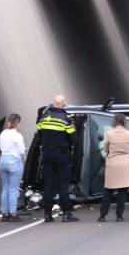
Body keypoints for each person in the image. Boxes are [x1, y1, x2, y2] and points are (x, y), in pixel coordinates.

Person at [37, 95, 79, 223]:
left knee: (48, 184)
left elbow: (39, 136)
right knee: (63, 184)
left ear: (53, 104)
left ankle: (47, 214)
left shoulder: (42, 118)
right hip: (62, 156)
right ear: (63, 105)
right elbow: (75, 139)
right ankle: (66, 213)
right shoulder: (66, 119)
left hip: (47, 155)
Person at [98, 112, 129, 222]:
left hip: (112, 164)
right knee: (122, 192)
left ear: (114, 121)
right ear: (124, 121)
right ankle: (119, 216)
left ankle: (102, 216)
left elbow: (105, 147)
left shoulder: (109, 133)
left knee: (108, 191)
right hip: (125, 164)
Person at [0, 113, 26, 222]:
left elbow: (1, 147)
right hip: (14, 162)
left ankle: (4, 214)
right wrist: (24, 151)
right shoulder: (17, 135)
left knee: (5, 188)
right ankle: (13, 214)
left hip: (3, 160)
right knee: (13, 189)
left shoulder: (3, 133)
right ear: (17, 123)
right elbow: (21, 151)